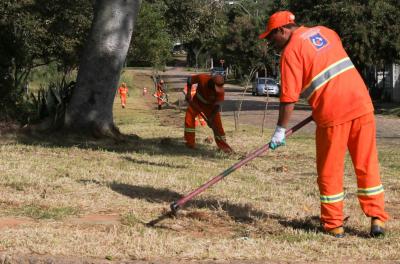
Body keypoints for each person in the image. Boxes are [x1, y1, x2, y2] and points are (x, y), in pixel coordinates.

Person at [259, 11, 388, 237]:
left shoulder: (290, 53)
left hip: (333, 113)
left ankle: (334, 224)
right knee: (367, 164)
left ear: (282, 30)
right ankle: (377, 218)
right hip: (361, 103)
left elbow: (288, 97)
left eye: (272, 38)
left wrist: (280, 130)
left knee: (330, 170)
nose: (272, 44)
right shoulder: (326, 32)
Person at [184, 73, 233, 153]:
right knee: (189, 117)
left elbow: (217, 106)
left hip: (211, 108)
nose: (216, 90)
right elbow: (189, 80)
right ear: (211, 82)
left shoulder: (220, 92)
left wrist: (211, 118)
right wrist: (189, 93)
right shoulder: (202, 78)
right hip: (197, 102)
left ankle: (223, 147)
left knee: (217, 126)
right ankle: (190, 144)